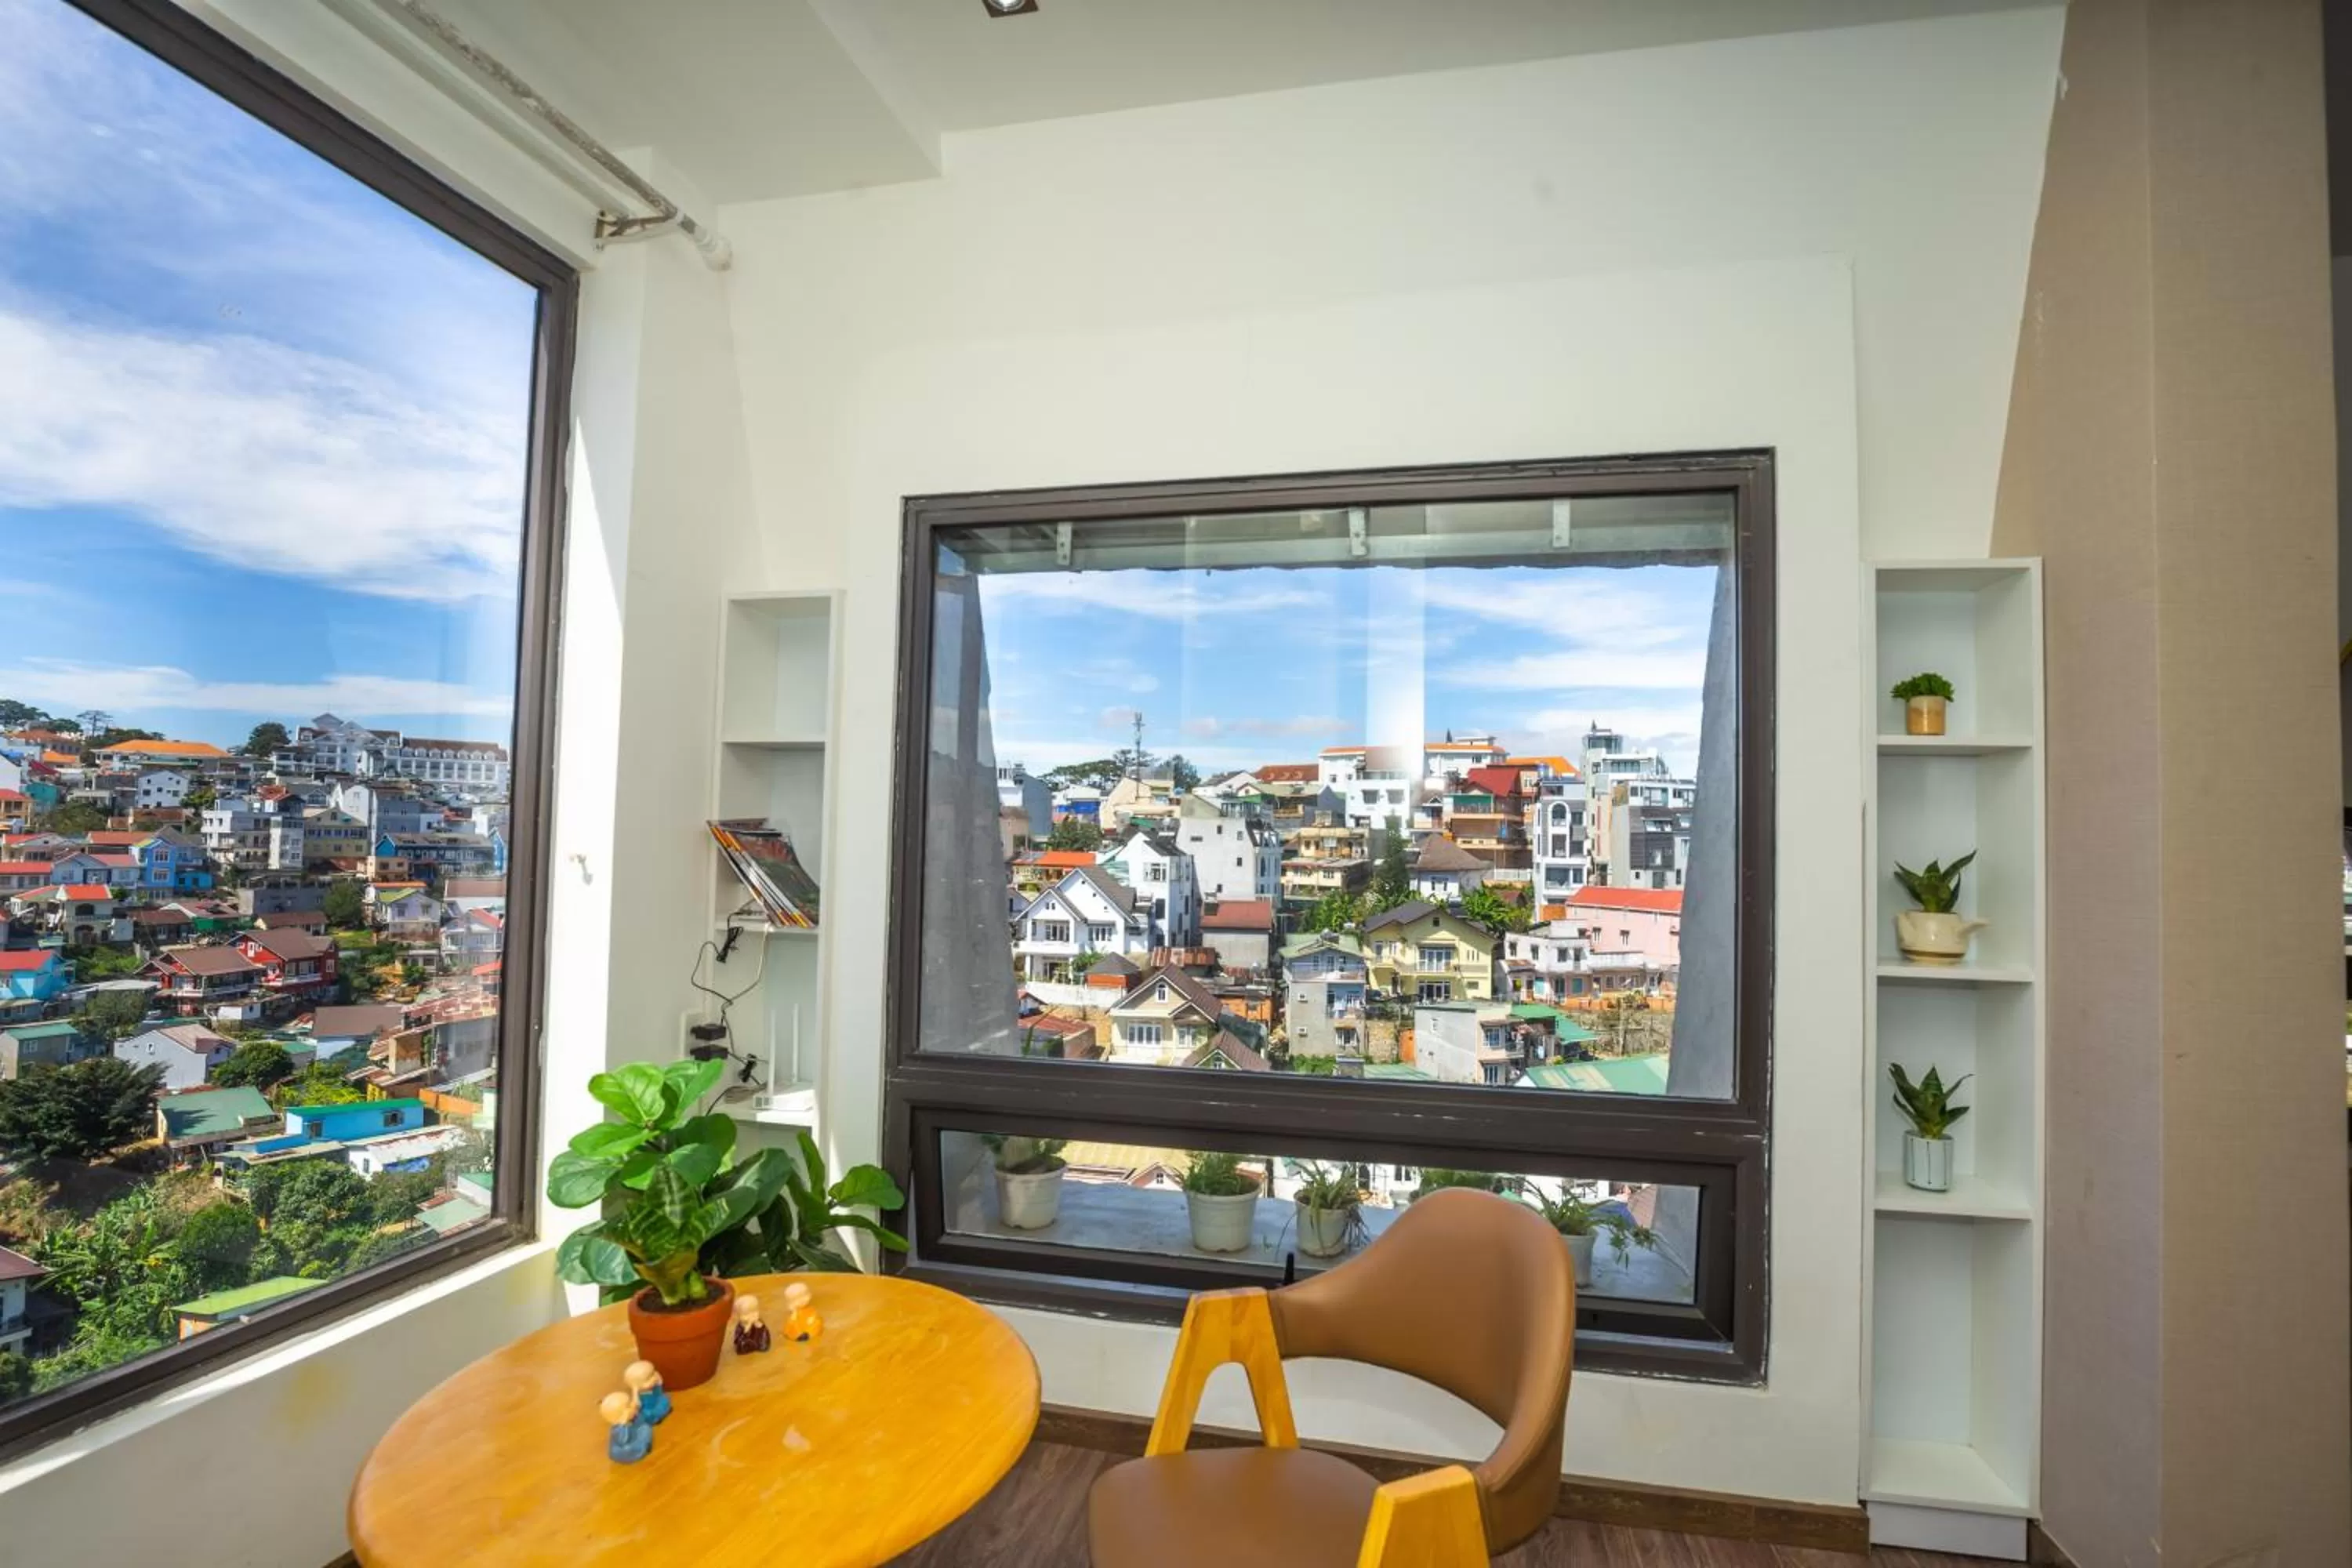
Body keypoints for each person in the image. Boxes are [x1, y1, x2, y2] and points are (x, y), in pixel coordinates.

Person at [601, 1390, 652, 1464]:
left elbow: (641, 1422)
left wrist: (635, 1414)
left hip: (633, 1439)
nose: (633, 1404)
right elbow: (622, 1441)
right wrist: (624, 1423)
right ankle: (640, 1449)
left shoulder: (632, 1419)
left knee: (645, 1427)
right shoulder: (617, 1429)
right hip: (625, 1451)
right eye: (629, 1405)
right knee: (645, 1429)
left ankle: (643, 1446)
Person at [622, 1359, 671, 1424]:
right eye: (648, 1378)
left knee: (666, 1399)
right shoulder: (640, 1395)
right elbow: (637, 1404)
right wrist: (635, 1390)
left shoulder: (655, 1386)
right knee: (647, 1414)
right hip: (650, 1409)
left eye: (653, 1374)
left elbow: (660, 1382)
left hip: (659, 1401)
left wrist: (656, 1375)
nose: (654, 1379)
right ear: (636, 1385)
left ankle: (664, 1412)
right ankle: (654, 1419)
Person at [782, 1279, 824, 1344]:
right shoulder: (794, 1313)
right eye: (796, 1299)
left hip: (809, 1330)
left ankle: (807, 1335)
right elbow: (790, 1325)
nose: (802, 1300)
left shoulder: (811, 1311)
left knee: (815, 1324)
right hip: (798, 1333)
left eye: (805, 1295)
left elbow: (816, 1321)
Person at [732, 1290, 771, 1354]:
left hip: (756, 1340)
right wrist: (748, 1327)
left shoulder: (758, 1321)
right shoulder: (741, 1326)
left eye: (754, 1312)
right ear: (738, 1316)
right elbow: (739, 1338)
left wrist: (757, 1323)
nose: (751, 1316)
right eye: (746, 1314)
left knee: (763, 1337)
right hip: (746, 1342)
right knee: (742, 1345)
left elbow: (763, 1330)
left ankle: (759, 1346)